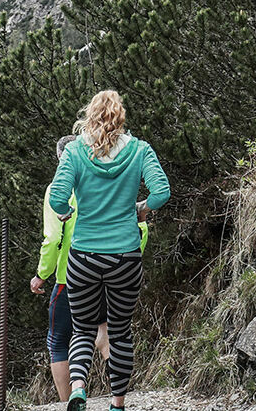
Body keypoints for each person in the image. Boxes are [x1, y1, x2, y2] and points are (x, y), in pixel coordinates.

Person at [47, 90, 170, 411]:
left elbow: (57, 197)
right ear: (121, 116)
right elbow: (162, 191)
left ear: (89, 115)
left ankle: (77, 389)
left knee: (83, 328)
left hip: (84, 256)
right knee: (119, 330)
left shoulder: (74, 152)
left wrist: (67, 213)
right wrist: (141, 208)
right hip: (125, 255)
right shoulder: (141, 150)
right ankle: (117, 403)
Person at [35, 135, 153, 400]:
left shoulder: (58, 189)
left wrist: (42, 275)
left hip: (72, 275)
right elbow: (140, 228)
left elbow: (53, 238)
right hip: (117, 266)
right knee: (107, 333)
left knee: (59, 339)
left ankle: (69, 400)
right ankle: (118, 395)